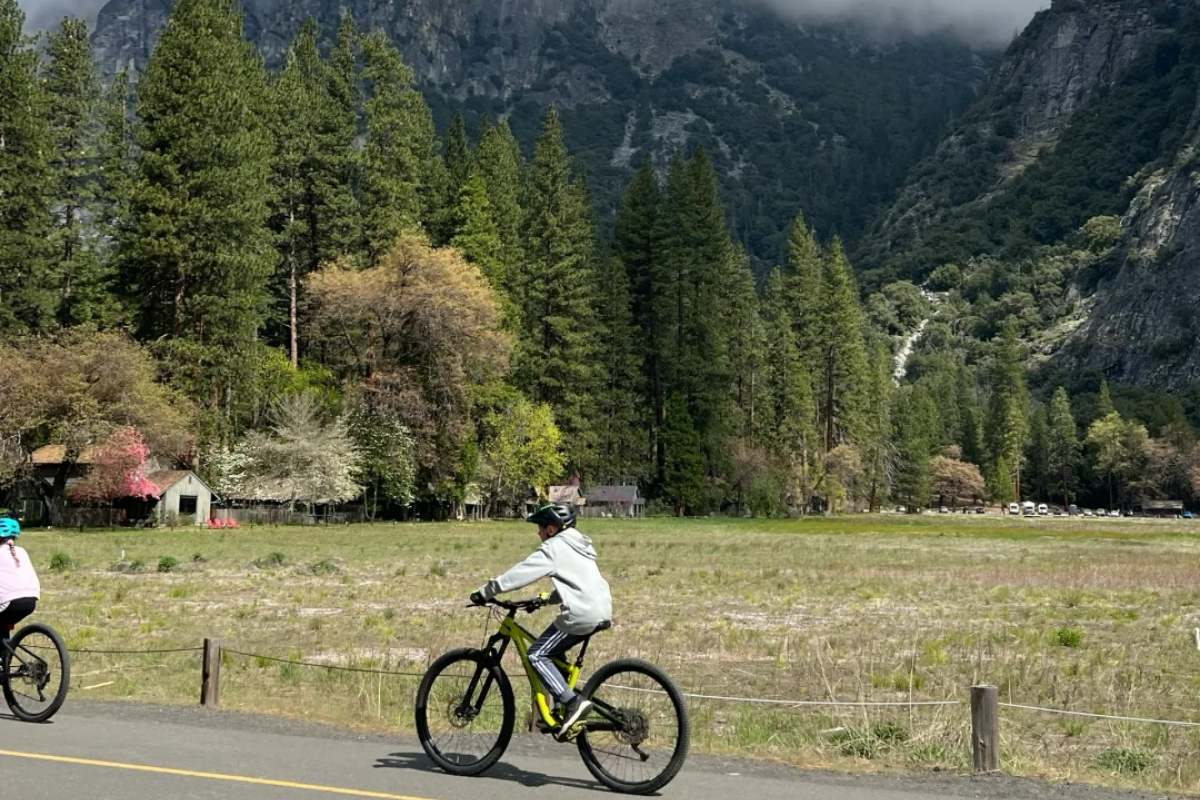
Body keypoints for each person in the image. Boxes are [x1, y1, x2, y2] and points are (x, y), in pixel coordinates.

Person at [471, 503, 612, 735]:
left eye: (540, 528)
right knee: (554, 653)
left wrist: (487, 591)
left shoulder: (554, 547)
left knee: (536, 654)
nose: (538, 533)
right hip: (600, 609)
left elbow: (521, 573)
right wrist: (544, 599)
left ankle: (572, 703)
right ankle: (562, 714)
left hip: (581, 614)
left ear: (551, 529)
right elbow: (577, 585)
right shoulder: (579, 545)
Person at [0, 516, 39, 652]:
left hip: (10, 601)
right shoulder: (22, 551)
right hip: (31, 601)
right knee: (3, 624)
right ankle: (3, 661)